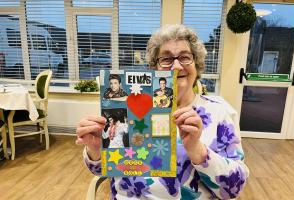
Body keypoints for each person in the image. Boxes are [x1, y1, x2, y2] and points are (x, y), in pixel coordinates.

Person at [76, 24, 249, 199]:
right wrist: (96, 150)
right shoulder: (132, 107)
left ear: (196, 65)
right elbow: (100, 170)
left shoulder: (219, 112)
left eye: (185, 57)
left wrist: (198, 150)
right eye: (166, 59)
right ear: (154, 68)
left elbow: (234, 188)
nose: (175, 66)